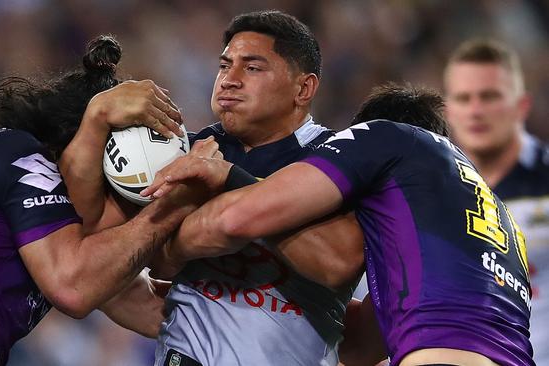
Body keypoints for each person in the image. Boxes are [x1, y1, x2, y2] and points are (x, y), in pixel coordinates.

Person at [146, 83, 534, 366]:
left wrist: (221, 173)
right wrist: (283, 301)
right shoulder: (500, 221)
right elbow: (364, 345)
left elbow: (238, 216)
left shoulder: (386, 137)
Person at [62, 10, 364, 366]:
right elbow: (87, 240)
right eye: (224, 65)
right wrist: (95, 119)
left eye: (252, 68)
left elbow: (338, 263)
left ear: (303, 88)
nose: (229, 79)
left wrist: (221, 195)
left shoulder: (337, 161)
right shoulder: (173, 153)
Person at [0, 35, 207, 366]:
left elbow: (146, 307)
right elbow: (72, 288)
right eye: (113, 192)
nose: (118, 212)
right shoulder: (18, 154)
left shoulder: (37, 227)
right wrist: (175, 202)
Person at [444, 38, 548, 364]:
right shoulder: (428, 190)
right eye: (464, 98)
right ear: (448, 110)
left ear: (522, 106)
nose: (476, 110)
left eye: (489, 97)